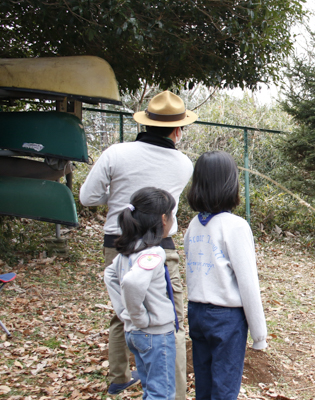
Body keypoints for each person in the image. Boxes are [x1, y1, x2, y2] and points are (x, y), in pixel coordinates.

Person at [80, 91, 196, 397]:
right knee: (172, 318)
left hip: (117, 241)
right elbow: (165, 209)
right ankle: (177, 392)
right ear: (177, 130)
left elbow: (87, 197)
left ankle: (119, 375)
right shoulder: (184, 164)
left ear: (145, 122)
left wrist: (119, 199)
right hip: (161, 245)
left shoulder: (115, 153)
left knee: (122, 309)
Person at [184, 151, 267, 400]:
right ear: (231, 184)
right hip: (226, 318)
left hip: (196, 312)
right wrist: (260, 335)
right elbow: (248, 283)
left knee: (205, 385)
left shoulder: (194, 224)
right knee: (225, 389)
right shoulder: (236, 226)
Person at [104, 188, 178, 400]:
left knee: (150, 388)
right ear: (164, 219)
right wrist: (138, 316)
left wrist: (123, 311)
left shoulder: (130, 250)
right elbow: (132, 282)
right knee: (161, 394)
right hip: (155, 334)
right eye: (172, 215)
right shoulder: (152, 253)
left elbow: (110, 275)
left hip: (135, 334)